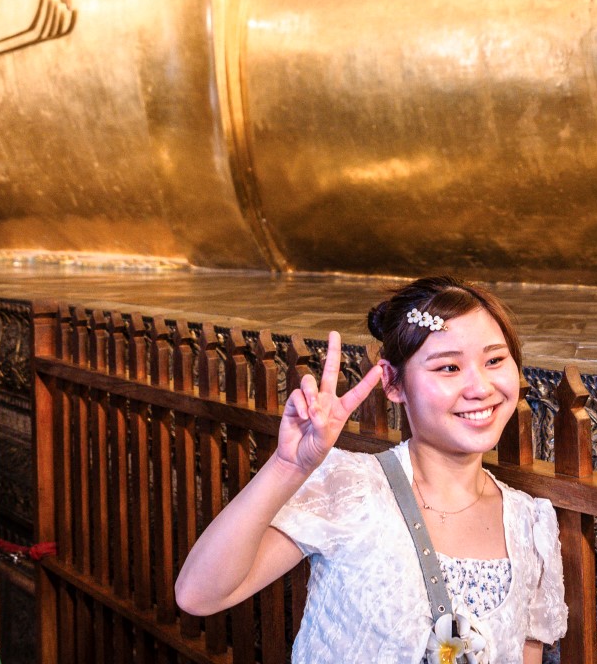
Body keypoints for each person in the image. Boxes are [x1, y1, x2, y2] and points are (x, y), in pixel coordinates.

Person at [175, 276, 565, 664]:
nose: (480, 387)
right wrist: (287, 466)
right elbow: (199, 595)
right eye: (449, 367)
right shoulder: (350, 487)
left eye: (494, 360)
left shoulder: (530, 525)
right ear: (393, 382)